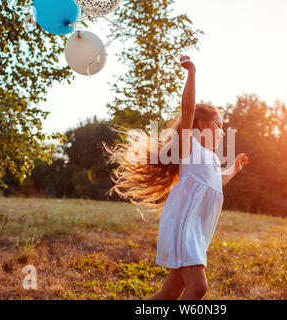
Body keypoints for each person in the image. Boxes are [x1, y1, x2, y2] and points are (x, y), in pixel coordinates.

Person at [104, 56, 248, 300]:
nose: (223, 131)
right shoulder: (188, 147)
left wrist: (233, 169)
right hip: (184, 225)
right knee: (198, 287)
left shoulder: (212, 159)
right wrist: (192, 73)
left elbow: (215, 184)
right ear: (201, 125)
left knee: (171, 291)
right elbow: (188, 110)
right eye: (219, 125)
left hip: (197, 229)